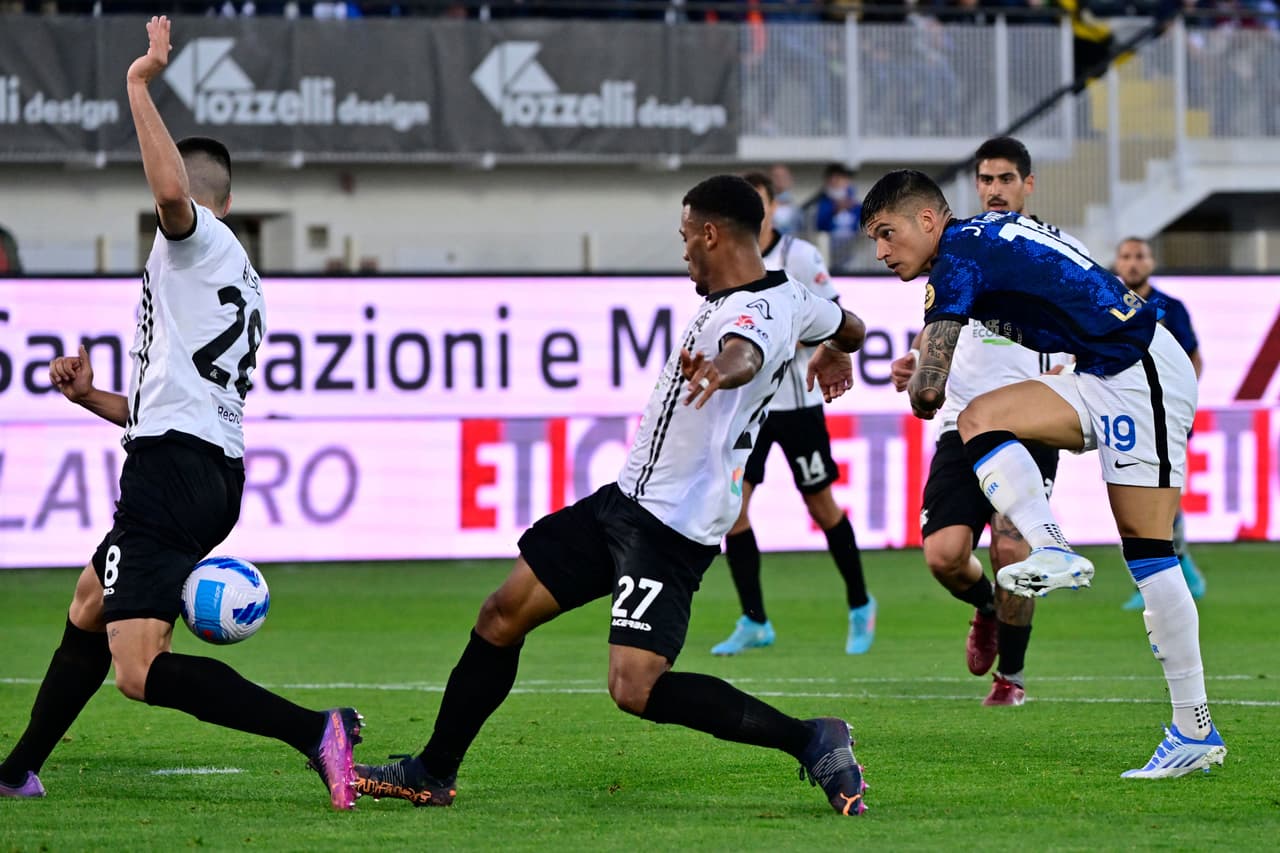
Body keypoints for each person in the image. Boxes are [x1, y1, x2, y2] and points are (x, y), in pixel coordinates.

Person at [352, 175, 871, 816]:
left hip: (670, 526)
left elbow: (743, 350)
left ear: (711, 233)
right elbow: (848, 321)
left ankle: (811, 738)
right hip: (624, 502)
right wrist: (838, 353)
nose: (683, 253)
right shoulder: (793, 297)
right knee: (501, 614)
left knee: (634, 687)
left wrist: (723, 369)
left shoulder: (755, 313)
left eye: (686, 238)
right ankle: (431, 771)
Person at [0, 17, 362, 809]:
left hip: (173, 473)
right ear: (233, 196)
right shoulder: (233, 280)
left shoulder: (193, 243)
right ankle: (18, 766)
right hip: (198, 464)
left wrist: (139, 81)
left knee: (137, 667)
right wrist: (92, 397)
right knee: (91, 601)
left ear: (208, 202)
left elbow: (169, 192)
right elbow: (174, 403)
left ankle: (316, 729)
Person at [862, 169, 1227, 779]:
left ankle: (1193, 727)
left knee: (1149, 554)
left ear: (928, 221)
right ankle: (1053, 547)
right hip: (1100, 372)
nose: (880, 252)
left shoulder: (956, 256)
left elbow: (929, 395)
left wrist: (922, 378)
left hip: (1142, 371)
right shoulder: (982, 236)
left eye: (886, 233)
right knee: (981, 418)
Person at [888, 137, 1073, 706]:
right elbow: (941, 321)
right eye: (986, 180)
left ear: (1028, 184)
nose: (995, 190)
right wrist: (919, 361)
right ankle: (987, 609)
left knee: (1014, 552)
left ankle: (1011, 677)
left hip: (1031, 422)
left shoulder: (1055, 249)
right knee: (944, 556)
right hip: (961, 423)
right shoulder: (959, 250)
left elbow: (1084, 320)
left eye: (1006, 179)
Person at [710, 171, 874, 657]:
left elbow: (836, 316)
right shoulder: (732, 263)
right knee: (733, 511)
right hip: (750, 409)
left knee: (822, 507)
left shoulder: (797, 256)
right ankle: (754, 619)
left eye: (759, 203)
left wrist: (782, 334)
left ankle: (860, 603)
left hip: (797, 405)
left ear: (771, 207)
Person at [1113, 236, 1207, 610]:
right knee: (1135, 497)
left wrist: (1181, 401)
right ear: (1117, 264)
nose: (1133, 263)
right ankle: (1176, 569)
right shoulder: (1107, 304)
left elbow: (1194, 359)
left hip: (1164, 414)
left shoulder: (1170, 308)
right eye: (1126, 256)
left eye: (1140, 256)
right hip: (1125, 415)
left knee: (1161, 496)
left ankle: (1171, 572)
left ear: (1151, 262)